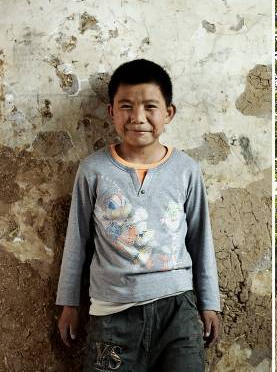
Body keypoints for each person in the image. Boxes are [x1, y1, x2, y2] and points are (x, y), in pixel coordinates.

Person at [55, 59, 222, 370]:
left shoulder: (186, 170)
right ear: (112, 112)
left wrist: (210, 303)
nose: (138, 118)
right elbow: (76, 239)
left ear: (168, 113)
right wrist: (68, 304)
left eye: (150, 107)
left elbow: (201, 239)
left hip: (178, 310)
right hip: (111, 314)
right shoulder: (93, 170)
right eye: (126, 106)